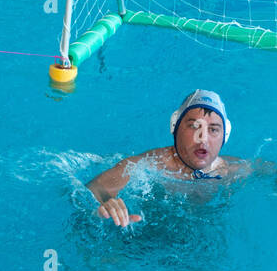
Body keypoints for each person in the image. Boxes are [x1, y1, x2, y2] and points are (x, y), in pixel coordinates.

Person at [87, 89, 250, 228]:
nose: (203, 138)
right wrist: (107, 203)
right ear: (175, 127)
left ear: (225, 136)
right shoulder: (149, 165)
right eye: (194, 126)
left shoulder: (230, 169)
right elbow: (93, 188)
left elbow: (266, 169)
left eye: (213, 129)